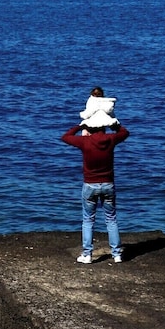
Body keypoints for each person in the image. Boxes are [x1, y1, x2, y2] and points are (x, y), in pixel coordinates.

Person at [61, 96, 130, 264]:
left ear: (90, 127)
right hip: (108, 184)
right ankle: (117, 254)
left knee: (88, 220)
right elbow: (125, 133)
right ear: (105, 126)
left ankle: (87, 254)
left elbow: (66, 136)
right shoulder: (111, 140)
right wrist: (115, 124)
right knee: (111, 219)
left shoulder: (85, 142)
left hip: (90, 185)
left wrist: (81, 125)